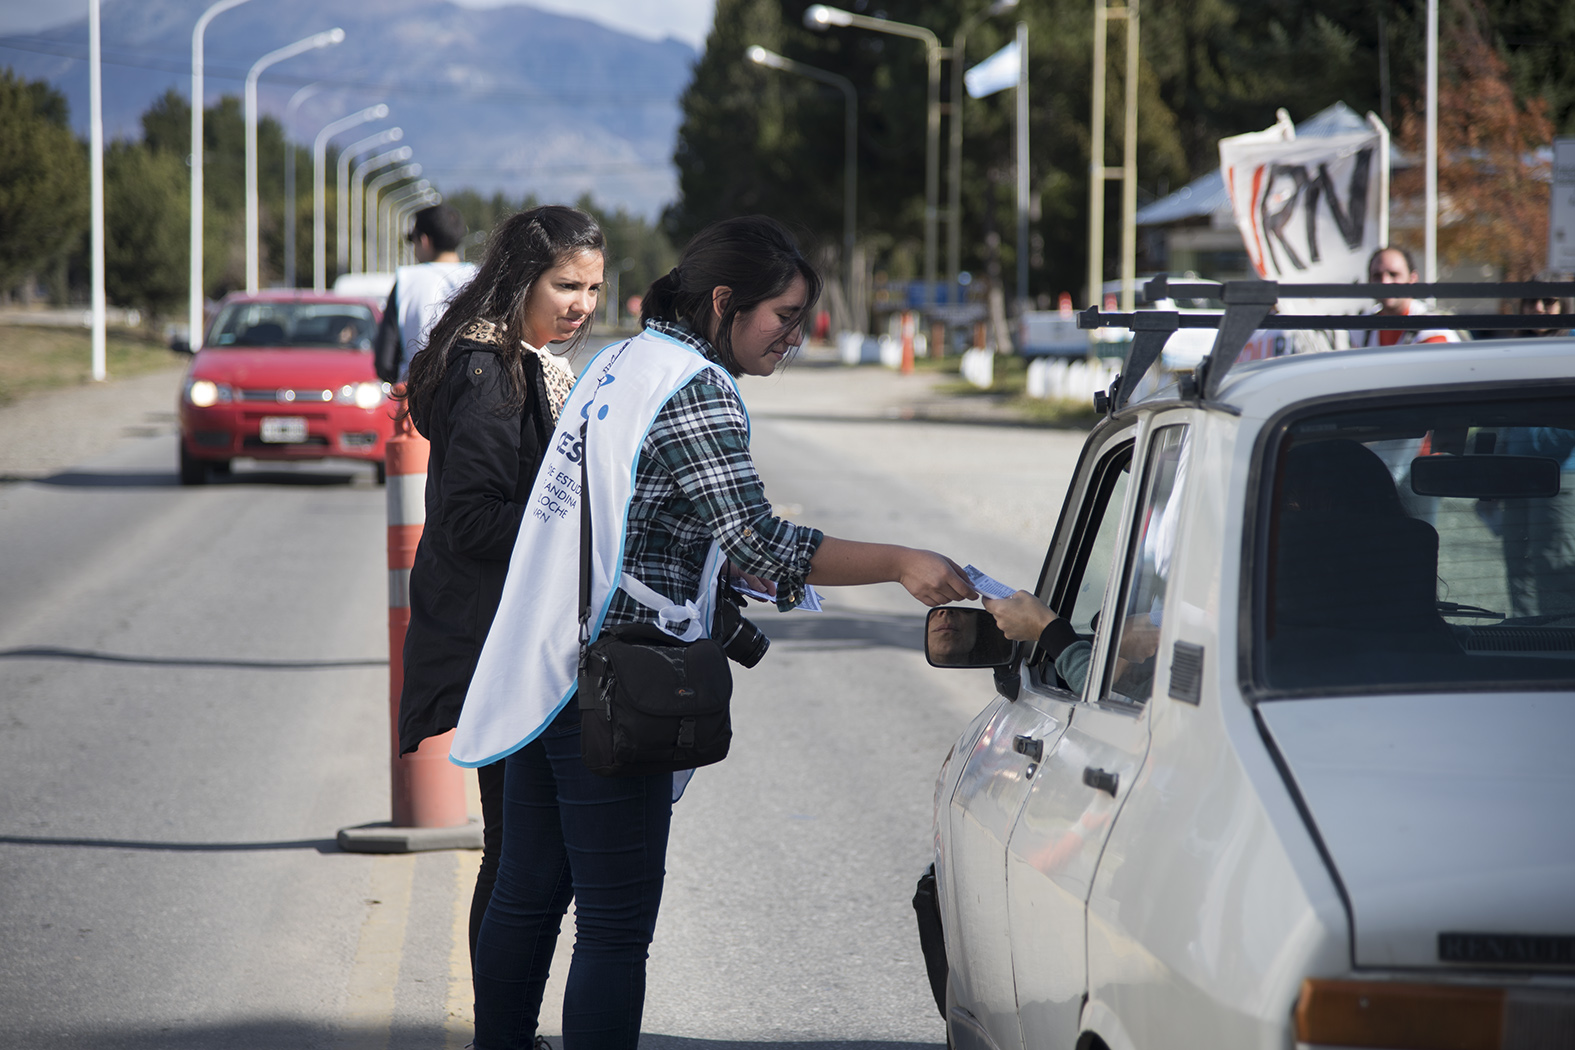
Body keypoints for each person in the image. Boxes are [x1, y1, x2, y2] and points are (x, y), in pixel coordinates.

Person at [454, 215, 976, 1050]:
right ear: (725, 302)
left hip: (542, 665)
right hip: (612, 682)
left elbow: (639, 515)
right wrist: (899, 562)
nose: (793, 338)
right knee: (613, 927)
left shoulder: (620, 360)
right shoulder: (692, 387)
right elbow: (759, 540)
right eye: (783, 317)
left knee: (527, 892)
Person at [395, 205, 604, 965]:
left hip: (510, 634)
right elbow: (470, 520)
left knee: (523, 854)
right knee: (520, 859)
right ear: (522, 280)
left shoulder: (524, 360)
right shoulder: (490, 371)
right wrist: (583, 524)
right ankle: (501, 1020)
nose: (581, 305)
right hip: (495, 641)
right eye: (566, 286)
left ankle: (502, 1017)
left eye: (593, 288)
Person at [375, 204, 480, 383]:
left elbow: (385, 362)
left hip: (417, 389)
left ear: (424, 240)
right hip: (470, 387)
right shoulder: (480, 278)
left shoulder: (407, 280)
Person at [1354, 246, 1461, 348]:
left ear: (1412, 279)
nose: (1385, 282)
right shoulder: (1361, 330)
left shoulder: (1432, 328)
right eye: (1377, 276)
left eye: (1393, 274)